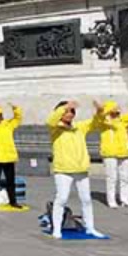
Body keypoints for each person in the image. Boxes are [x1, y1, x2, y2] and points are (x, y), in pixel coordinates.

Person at [46, 101, 104, 239]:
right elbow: (51, 120)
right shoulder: (55, 128)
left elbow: (95, 123)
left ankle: (90, 227)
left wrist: (100, 111)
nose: (69, 114)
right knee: (62, 198)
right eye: (66, 111)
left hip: (80, 169)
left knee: (86, 199)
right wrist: (64, 107)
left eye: (72, 111)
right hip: (63, 169)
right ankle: (57, 229)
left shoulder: (79, 127)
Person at [95, 101, 128, 208]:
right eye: (114, 109)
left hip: (123, 152)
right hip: (110, 153)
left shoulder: (122, 121)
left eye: (117, 108)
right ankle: (111, 200)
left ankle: (125, 199)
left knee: (125, 177)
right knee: (111, 177)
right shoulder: (103, 123)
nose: (117, 110)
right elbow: (99, 116)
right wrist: (103, 109)